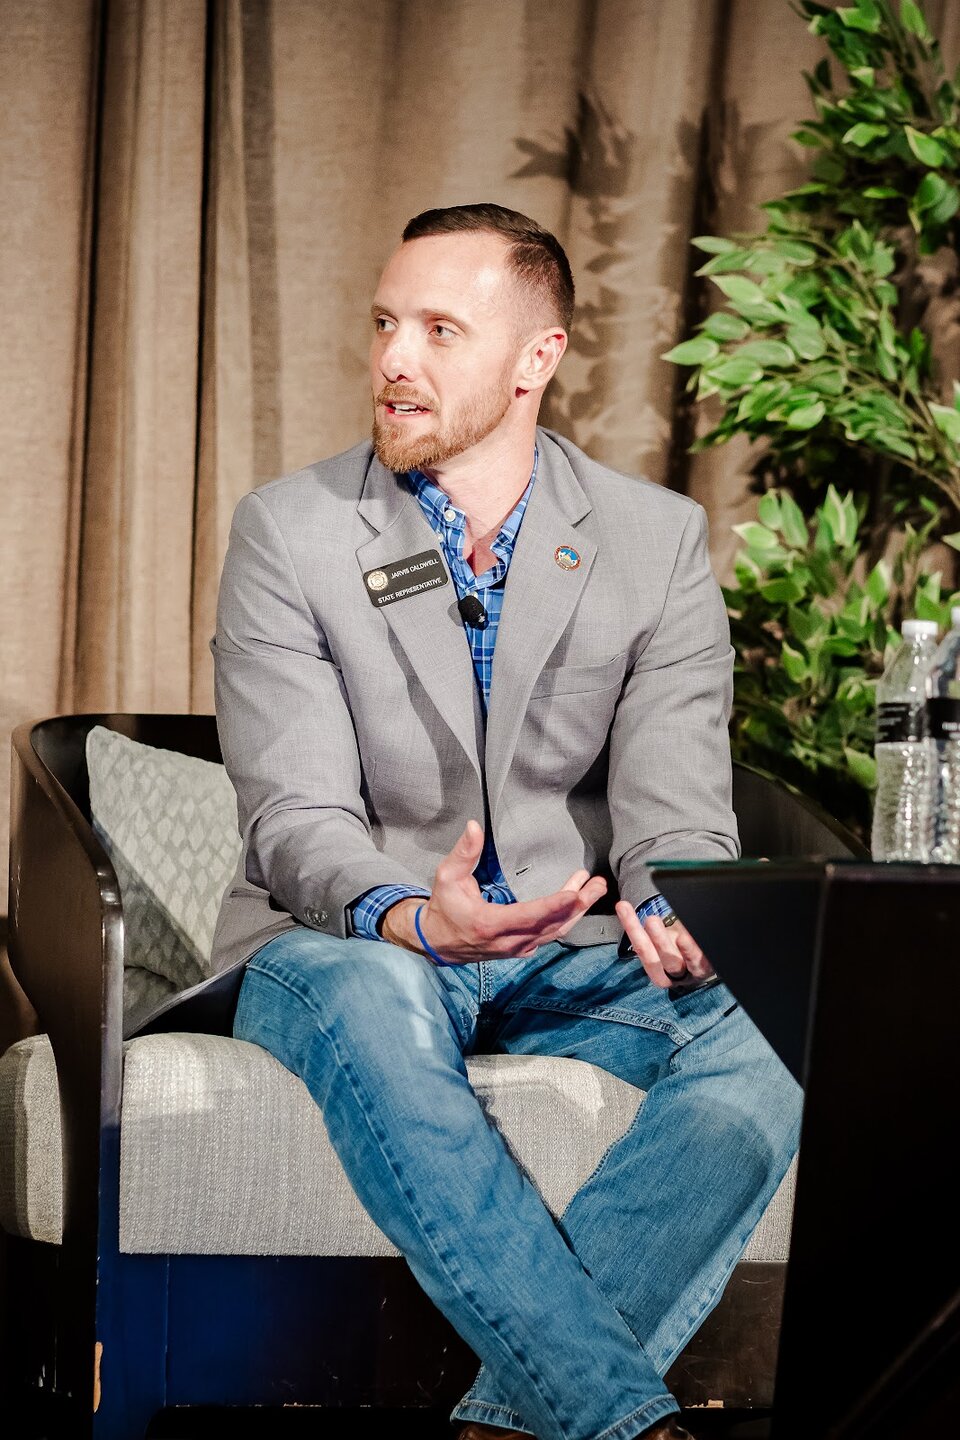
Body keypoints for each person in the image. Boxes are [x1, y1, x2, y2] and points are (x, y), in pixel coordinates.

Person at [211, 202, 801, 1440]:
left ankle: (517, 1421)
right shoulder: (292, 531)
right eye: (385, 324)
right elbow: (296, 818)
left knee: (780, 1027)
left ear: (538, 358)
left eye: (439, 330)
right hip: (347, 946)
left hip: (559, 948)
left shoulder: (654, 541)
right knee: (378, 993)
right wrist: (413, 915)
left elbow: (675, 809)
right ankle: (618, 1418)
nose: (394, 358)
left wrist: (671, 905)